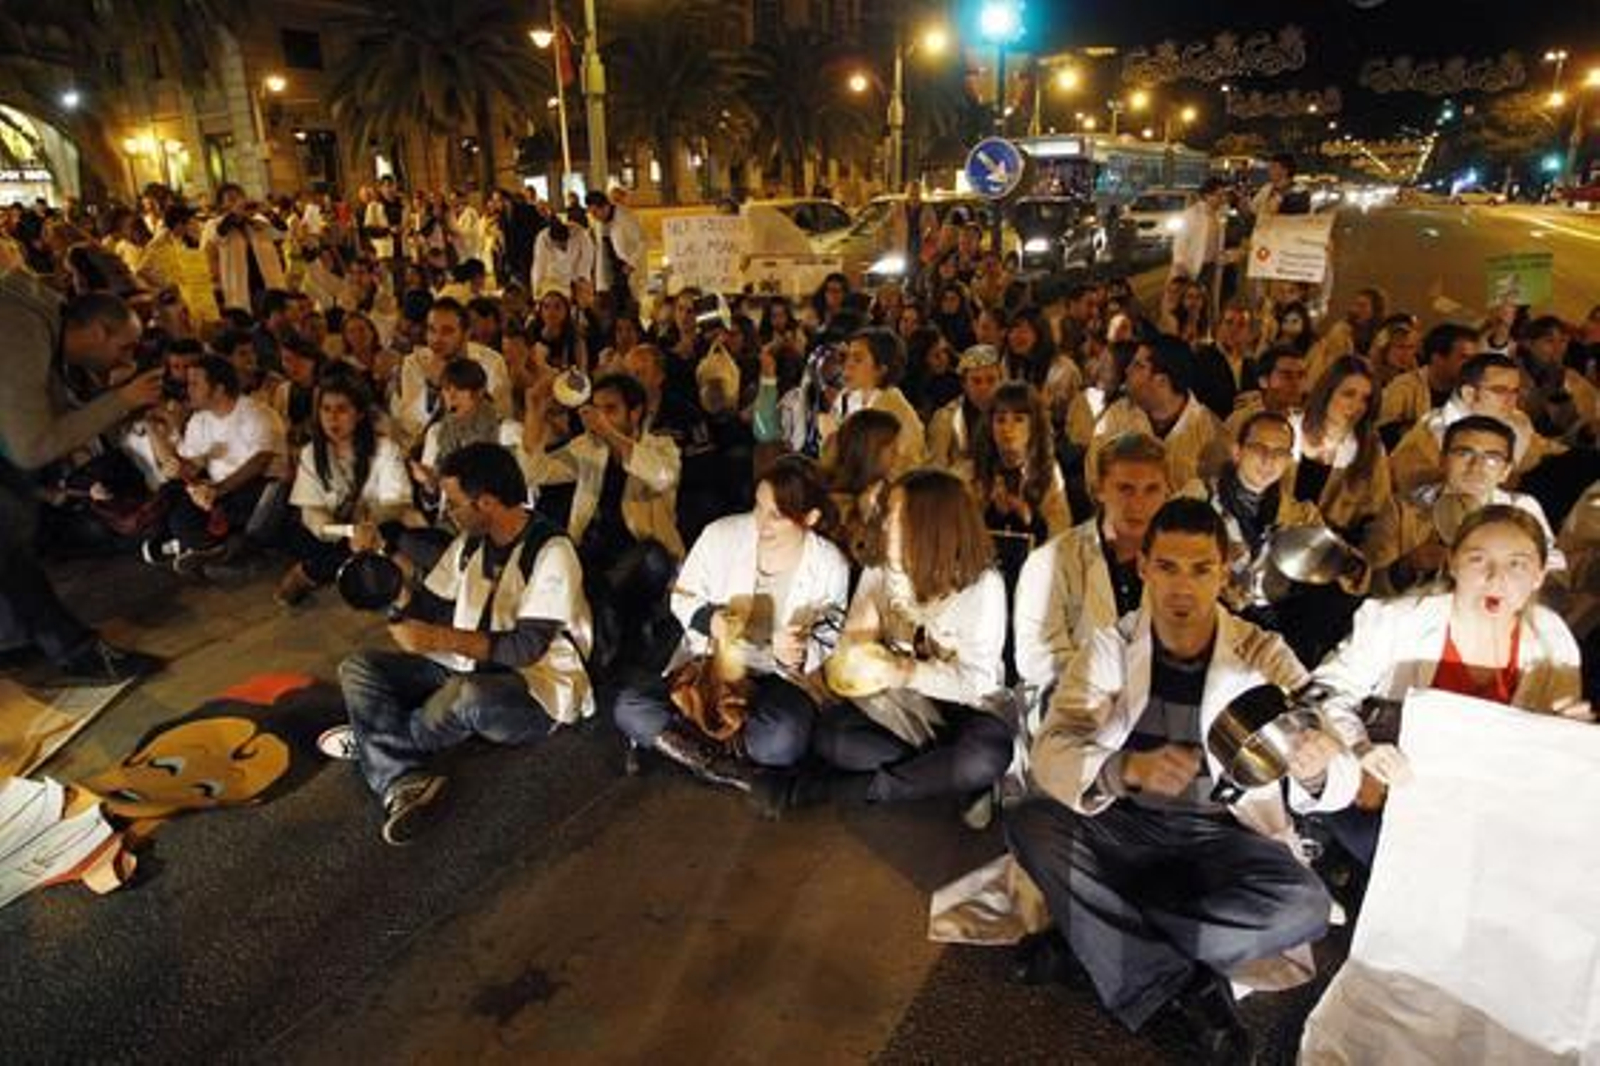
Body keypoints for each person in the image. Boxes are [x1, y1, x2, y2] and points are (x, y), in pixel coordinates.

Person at [1007, 498, 1356, 1063]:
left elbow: (1333, 744)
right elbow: (1053, 747)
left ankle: (1091, 942)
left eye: (1200, 569)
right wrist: (1123, 771)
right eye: (1167, 567)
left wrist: (1318, 765)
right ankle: (1178, 986)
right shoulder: (1112, 647)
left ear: (1224, 571)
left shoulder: (1262, 651)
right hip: (1123, 828)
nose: (1182, 587)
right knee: (1030, 820)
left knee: (1304, 907)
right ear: (1143, 567)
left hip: (1223, 838)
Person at [328, 443, 593, 845]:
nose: (446, 511)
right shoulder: (470, 542)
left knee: (467, 695)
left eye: (453, 502)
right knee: (358, 666)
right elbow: (432, 604)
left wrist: (437, 638)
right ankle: (399, 776)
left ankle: (379, 742)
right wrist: (394, 583)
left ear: (485, 502)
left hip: (531, 687)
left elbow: (527, 648)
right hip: (464, 661)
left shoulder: (550, 551)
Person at [1311, 505, 1589, 869]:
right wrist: (1361, 747)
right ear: (1453, 563)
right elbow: (1324, 690)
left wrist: (1563, 732)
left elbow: (1542, 761)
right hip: (1392, 792)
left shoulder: (1551, 638)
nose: (1495, 578)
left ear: (1538, 575)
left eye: (1517, 564)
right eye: (1478, 560)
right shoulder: (1397, 621)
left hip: (1490, 800)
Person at [761, 469, 1012, 820]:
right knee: (833, 737)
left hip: (965, 709)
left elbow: (976, 683)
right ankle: (943, 778)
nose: (883, 524)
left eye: (895, 516)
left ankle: (848, 791)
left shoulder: (982, 587)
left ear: (928, 526)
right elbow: (851, 653)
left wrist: (904, 670)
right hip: (903, 708)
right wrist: (853, 649)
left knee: (987, 755)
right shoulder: (882, 570)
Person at [613, 456, 850, 788]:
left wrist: (796, 651)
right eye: (758, 507)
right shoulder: (721, 535)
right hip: (712, 668)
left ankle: (692, 745)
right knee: (629, 705)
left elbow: (828, 635)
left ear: (810, 518)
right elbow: (683, 596)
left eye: (776, 516)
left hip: (774, 678)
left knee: (783, 738)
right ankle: (724, 766)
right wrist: (712, 621)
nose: (761, 523)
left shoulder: (829, 565)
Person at [0, 283, 164, 682]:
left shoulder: (43, 321)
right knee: (7, 540)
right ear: (96, 333)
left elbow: (51, 411)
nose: (127, 358)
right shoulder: (21, 331)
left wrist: (115, 405)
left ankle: (15, 640)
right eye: (124, 348)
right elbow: (33, 446)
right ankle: (75, 650)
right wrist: (121, 400)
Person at [524, 370, 684, 652]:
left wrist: (608, 433)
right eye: (595, 409)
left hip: (642, 551)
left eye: (610, 409)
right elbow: (534, 473)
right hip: (593, 547)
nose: (600, 417)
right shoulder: (588, 447)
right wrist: (535, 411)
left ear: (635, 413)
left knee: (643, 559)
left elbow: (661, 476)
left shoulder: (662, 446)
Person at [1013, 433, 1172, 697]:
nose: (1138, 504)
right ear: (1099, 489)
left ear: (1167, 491)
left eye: (1151, 489)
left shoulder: (1178, 562)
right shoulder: (1050, 561)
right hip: (1072, 704)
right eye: (1125, 489)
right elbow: (1037, 660)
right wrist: (1118, 680)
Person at [1364, 414, 1564, 596]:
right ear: (1443, 460)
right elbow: (1370, 583)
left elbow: (1554, 576)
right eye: (1464, 454)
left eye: (1492, 459)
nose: (1477, 467)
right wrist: (1408, 566)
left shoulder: (1523, 509)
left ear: (1506, 471)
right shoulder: (1403, 508)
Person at [141, 355, 286, 573]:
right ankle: (213, 548)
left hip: (259, 488)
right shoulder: (200, 420)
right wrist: (175, 462)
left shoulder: (257, 413)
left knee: (244, 500)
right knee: (172, 494)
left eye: (195, 384)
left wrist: (217, 489)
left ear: (218, 389)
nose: (188, 390)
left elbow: (260, 462)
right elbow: (190, 467)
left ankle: (207, 547)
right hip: (218, 491)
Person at [277, 375, 414, 606]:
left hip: (376, 527)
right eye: (326, 409)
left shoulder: (385, 448)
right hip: (334, 531)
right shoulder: (312, 453)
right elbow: (313, 517)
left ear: (359, 414)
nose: (332, 418)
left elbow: (396, 503)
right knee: (308, 538)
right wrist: (350, 531)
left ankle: (310, 573)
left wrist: (367, 527)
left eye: (342, 410)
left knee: (390, 533)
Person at [1390, 351, 1561, 494]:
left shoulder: (1516, 420)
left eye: (1515, 391)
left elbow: (1540, 450)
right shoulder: (1431, 434)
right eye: (1500, 390)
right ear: (1469, 394)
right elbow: (1413, 490)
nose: (1511, 400)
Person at [1091, 334, 1224, 491]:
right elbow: (1094, 477)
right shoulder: (1117, 416)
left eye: (1138, 365)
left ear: (1161, 382)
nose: (1127, 370)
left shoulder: (1209, 433)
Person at [1290, 355, 1391, 541]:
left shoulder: (1371, 450)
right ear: (1327, 392)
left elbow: (1378, 514)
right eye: (1349, 394)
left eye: (1365, 399)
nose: (1357, 406)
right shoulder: (1289, 431)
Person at [821, 326, 924, 477]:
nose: (848, 365)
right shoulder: (846, 397)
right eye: (847, 357)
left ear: (881, 369)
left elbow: (906, 466)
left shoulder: (895, 409)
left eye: (858, 359)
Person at [1377, 322, 1478, 445]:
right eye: (1464, 358)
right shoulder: (1403, 386)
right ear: (1437, 358)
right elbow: (1382, 433)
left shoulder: (1473, 390)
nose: (1473, 365)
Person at [201, 183, 286, 314]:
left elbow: (281, 233)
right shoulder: (214, 224)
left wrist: (269, 212)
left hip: (267, 283)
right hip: (239, 289)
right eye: (231, 199)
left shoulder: (257, 221)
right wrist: (235, 214)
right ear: (222, 205)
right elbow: (216, 237)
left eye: (240, 198)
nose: (239, 202)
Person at [925, 344, 1004, 475]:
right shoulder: (946, 418)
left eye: (991, 380)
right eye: (976, 381)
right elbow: (936, 471)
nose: (984, 388)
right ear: (964, 385)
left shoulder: (1013, 413)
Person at [586, 189, 645, 317]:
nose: (594, 216)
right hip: (611, 271)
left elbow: (642, 242)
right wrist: (600, 283)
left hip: (627, 270)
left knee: (629, 308)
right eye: (591, 213)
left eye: (595, 212)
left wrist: (631, 264)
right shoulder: (598, 222)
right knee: (612, 310)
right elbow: (601, 250)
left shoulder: (626, 217)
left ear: (605, 206)